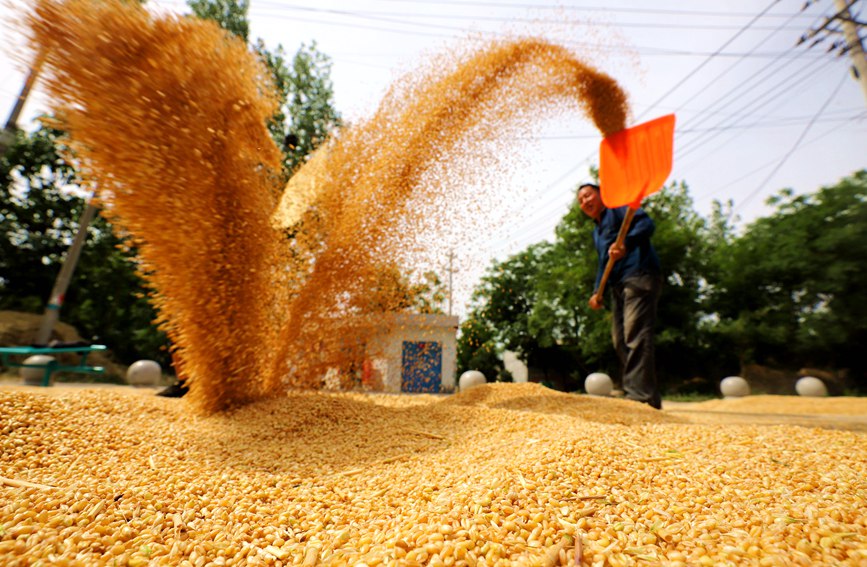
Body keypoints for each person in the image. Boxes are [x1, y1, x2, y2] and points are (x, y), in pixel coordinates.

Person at [576, 183, 663, 409]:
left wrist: (627, 242)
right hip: (617, 284)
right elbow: (604, 262)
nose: (584, 202)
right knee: (620, 340)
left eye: (588, 195)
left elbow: (646, 224)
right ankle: (643, 395)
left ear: (601, 194)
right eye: (580, 200)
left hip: (639, 275)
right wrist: (597, 291)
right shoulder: (597, 231)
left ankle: (640, 398)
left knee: (636, 335)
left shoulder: (618, 208)